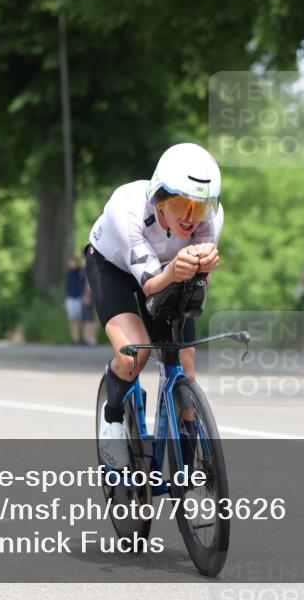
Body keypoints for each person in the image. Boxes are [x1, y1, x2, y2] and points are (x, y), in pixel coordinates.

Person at [86, 143, 223, 469]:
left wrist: (204, 268)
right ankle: (113, 420)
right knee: (134, 353)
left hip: (168, 271)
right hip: (114, 268)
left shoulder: (212, 220)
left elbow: (196, 287)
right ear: (159, 197)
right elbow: (149, 284)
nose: (190, 218)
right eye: (179, 204)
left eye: (199, 207)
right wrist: (177, 269)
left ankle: (188, 447)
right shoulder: (127, 209)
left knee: (185, 359)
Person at [64, 257, 87, 344]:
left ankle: (82, 338)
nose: (70, 264)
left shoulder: (81, 273)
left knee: (80, 319)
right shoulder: (69, 274)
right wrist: (66, 299)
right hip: (70, 298)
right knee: (73, 320)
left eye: (72, 262)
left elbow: (83, 285)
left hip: (79, 298)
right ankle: (75, 339)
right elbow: (68, 287)